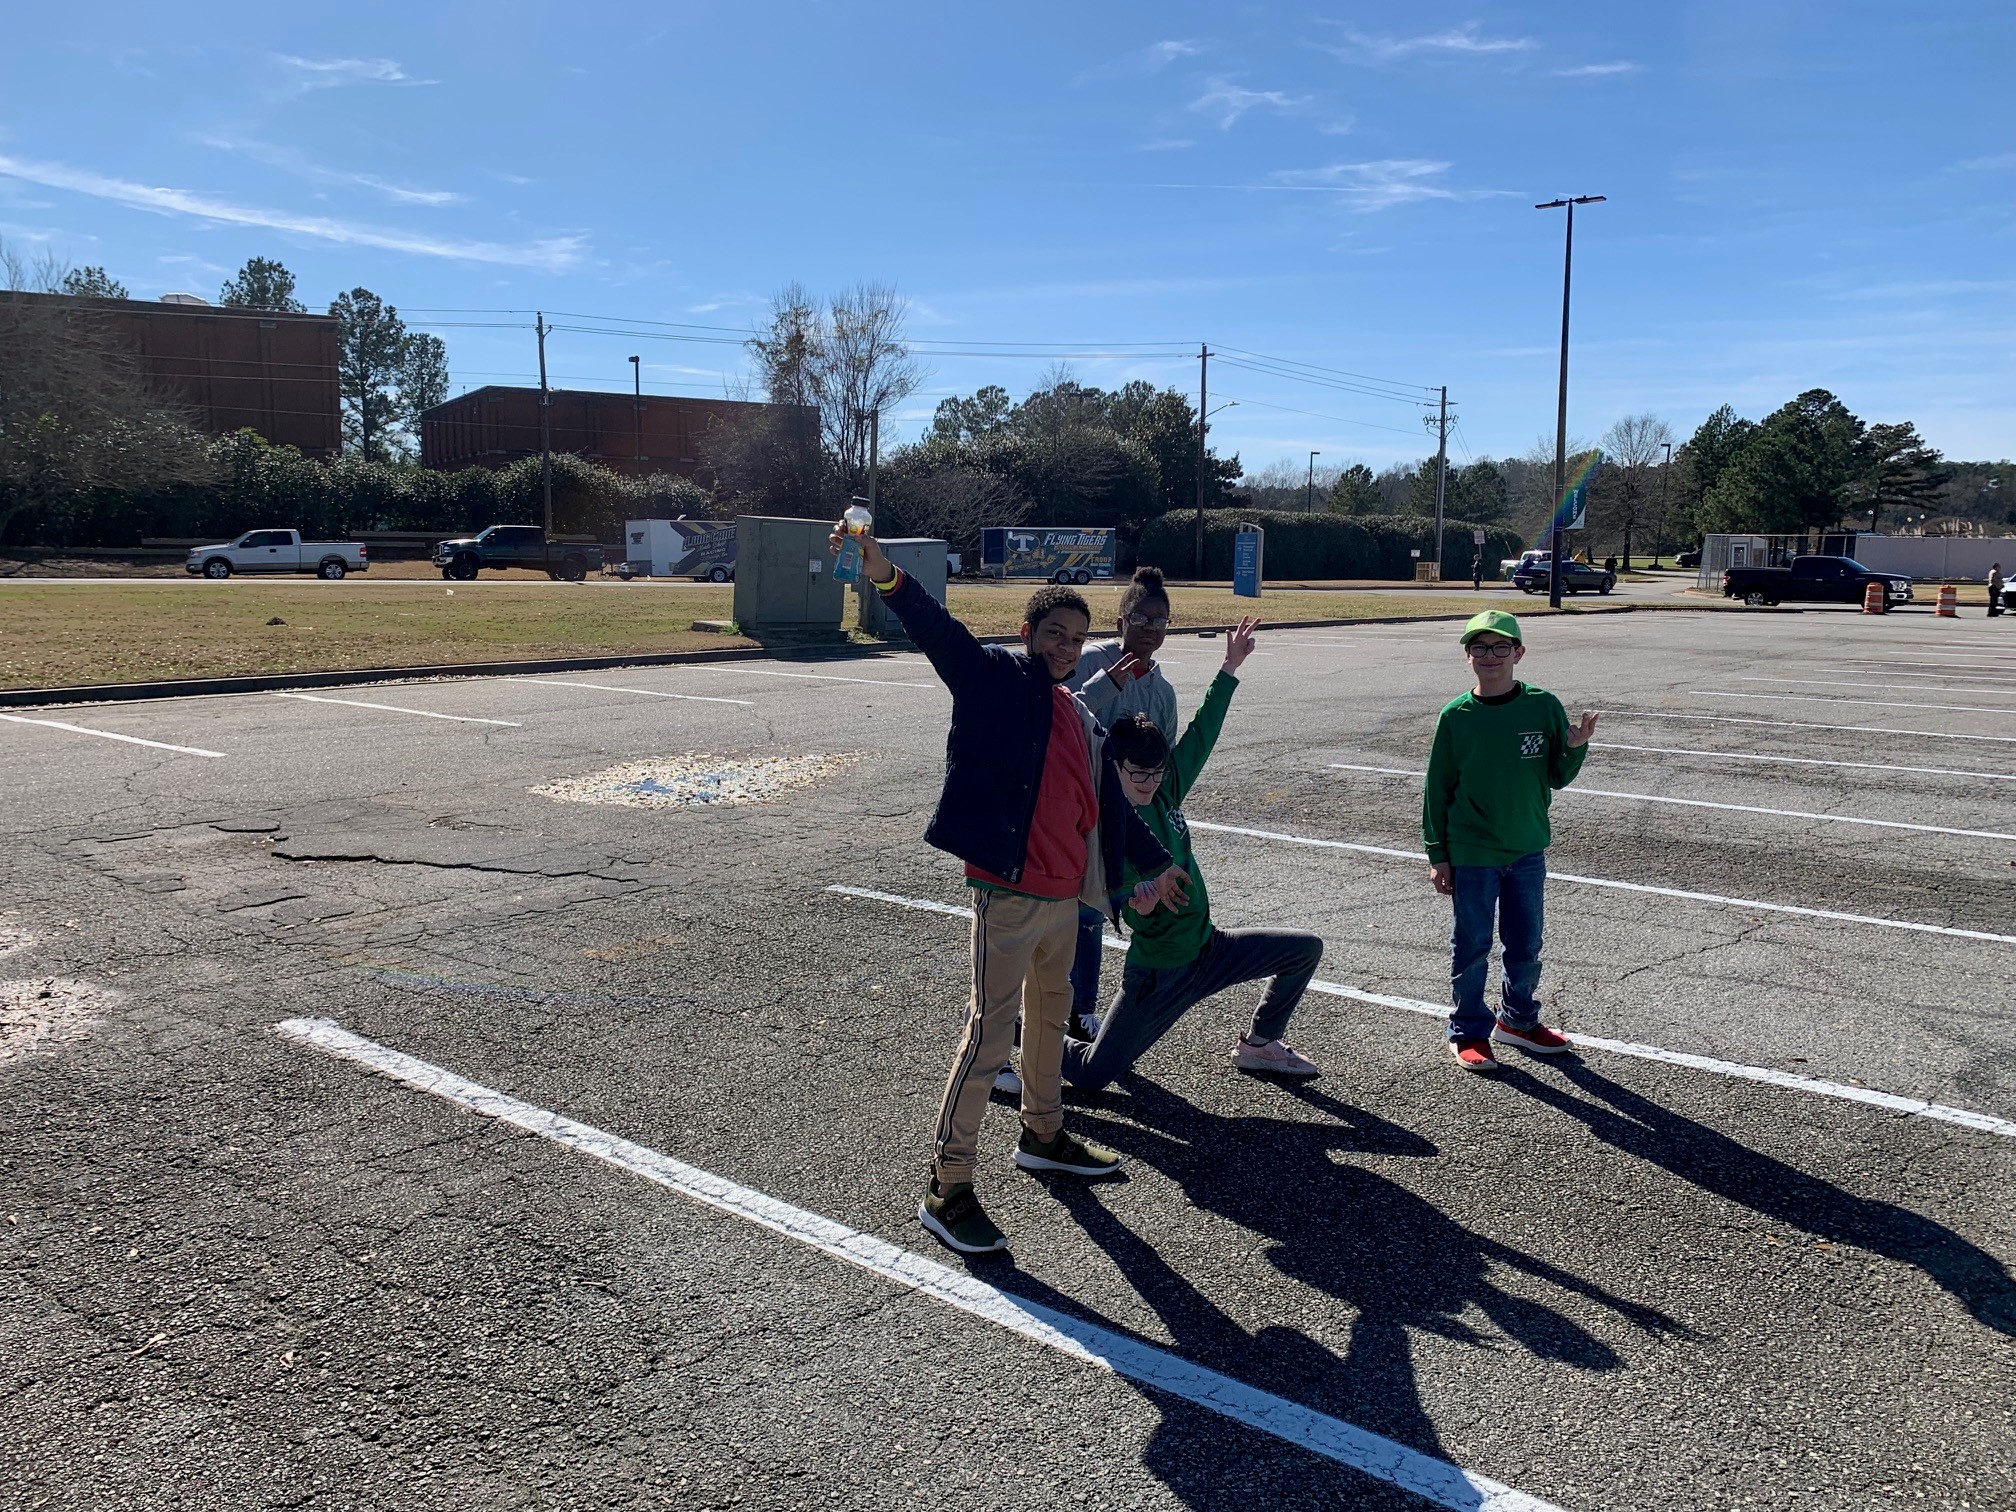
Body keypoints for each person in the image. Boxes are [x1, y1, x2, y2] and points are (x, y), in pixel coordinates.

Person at [836, 524, 1189, 1257]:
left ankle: (1044, 1134)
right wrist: (886, 574)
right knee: (989, 1035)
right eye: (1054, 633)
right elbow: (940, 633)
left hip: (1066, 899)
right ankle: (947, 1185)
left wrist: (1153, 866)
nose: (1066, 647)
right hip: (1007, 891)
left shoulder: (1075, 713)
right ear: (1028, 634)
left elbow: (1108, 803)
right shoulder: (995, 680)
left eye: (1077, 638)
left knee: (1051, 1021)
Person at [1064, 615, 1326, 1092]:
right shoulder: (1106, 829)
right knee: (1092, 1075)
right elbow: (1113, 899)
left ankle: (1260, 1044)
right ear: (1112, 766)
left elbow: (1202, 733)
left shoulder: (1166, 791)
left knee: (1304, 949)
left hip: (1211, 949)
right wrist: (1137, 907)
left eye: (1156, 772)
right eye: (1137, 773)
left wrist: (1229, 668)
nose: (1149, 783)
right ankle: (1024, 1032)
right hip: (1159, 973)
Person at [1421, 610, 1597, 1073]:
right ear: (1468, 656)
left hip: (1526, 849)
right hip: (1472, 852)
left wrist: (1575, 748)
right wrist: (1438, 854)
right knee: (1472, 945)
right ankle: (1468, 1030)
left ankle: (1518, 1020)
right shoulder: (1456, 716)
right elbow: (1437, 788)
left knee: (1525, 944)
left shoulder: (1543, 707)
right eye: (1480, 647)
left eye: (1501, 646)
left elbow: (1556, 776)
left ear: (1518, 653)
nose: (1491, 656)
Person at [1062, 565, 1180, 1051]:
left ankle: (1080, 1013)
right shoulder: (1092, 661)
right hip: (1072, 811)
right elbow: (1061, 712)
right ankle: (1061, 1014)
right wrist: (1106, 684)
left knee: (1095, 910)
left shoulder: (1163, 691)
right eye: (1140, 618)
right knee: (1068, 915)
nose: (1150, 628)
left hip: (1119, 824)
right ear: (1120, 621)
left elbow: (1164, 762)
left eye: (1160, 620)